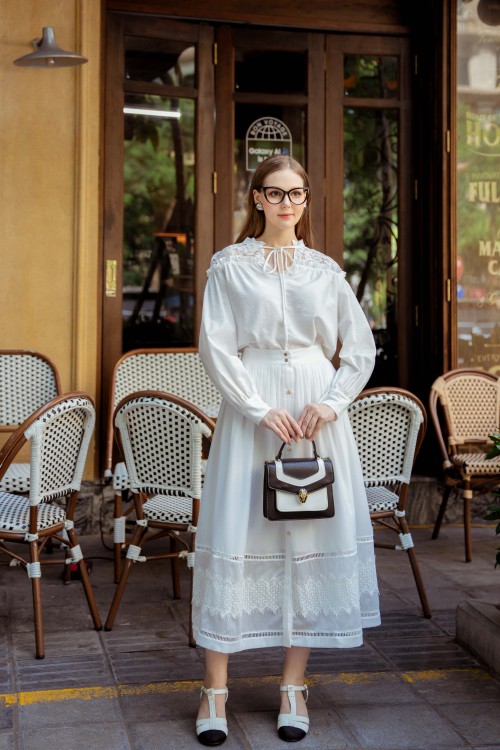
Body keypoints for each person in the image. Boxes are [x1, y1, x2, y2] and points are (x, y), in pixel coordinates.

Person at [192, 155, 380, 746]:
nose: (288, 204)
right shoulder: (228, 267)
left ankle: (294, 686)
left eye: (297, 194)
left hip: (315, 417)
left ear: (306, 200)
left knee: (309, 534)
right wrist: (256, 407)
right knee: (235, 531)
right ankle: (214, 691)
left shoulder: (324, 271)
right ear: (256, 199)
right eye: (276, 194)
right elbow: (216, 347)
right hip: (254, 415)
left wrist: (332, 402)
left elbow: (360, 348)